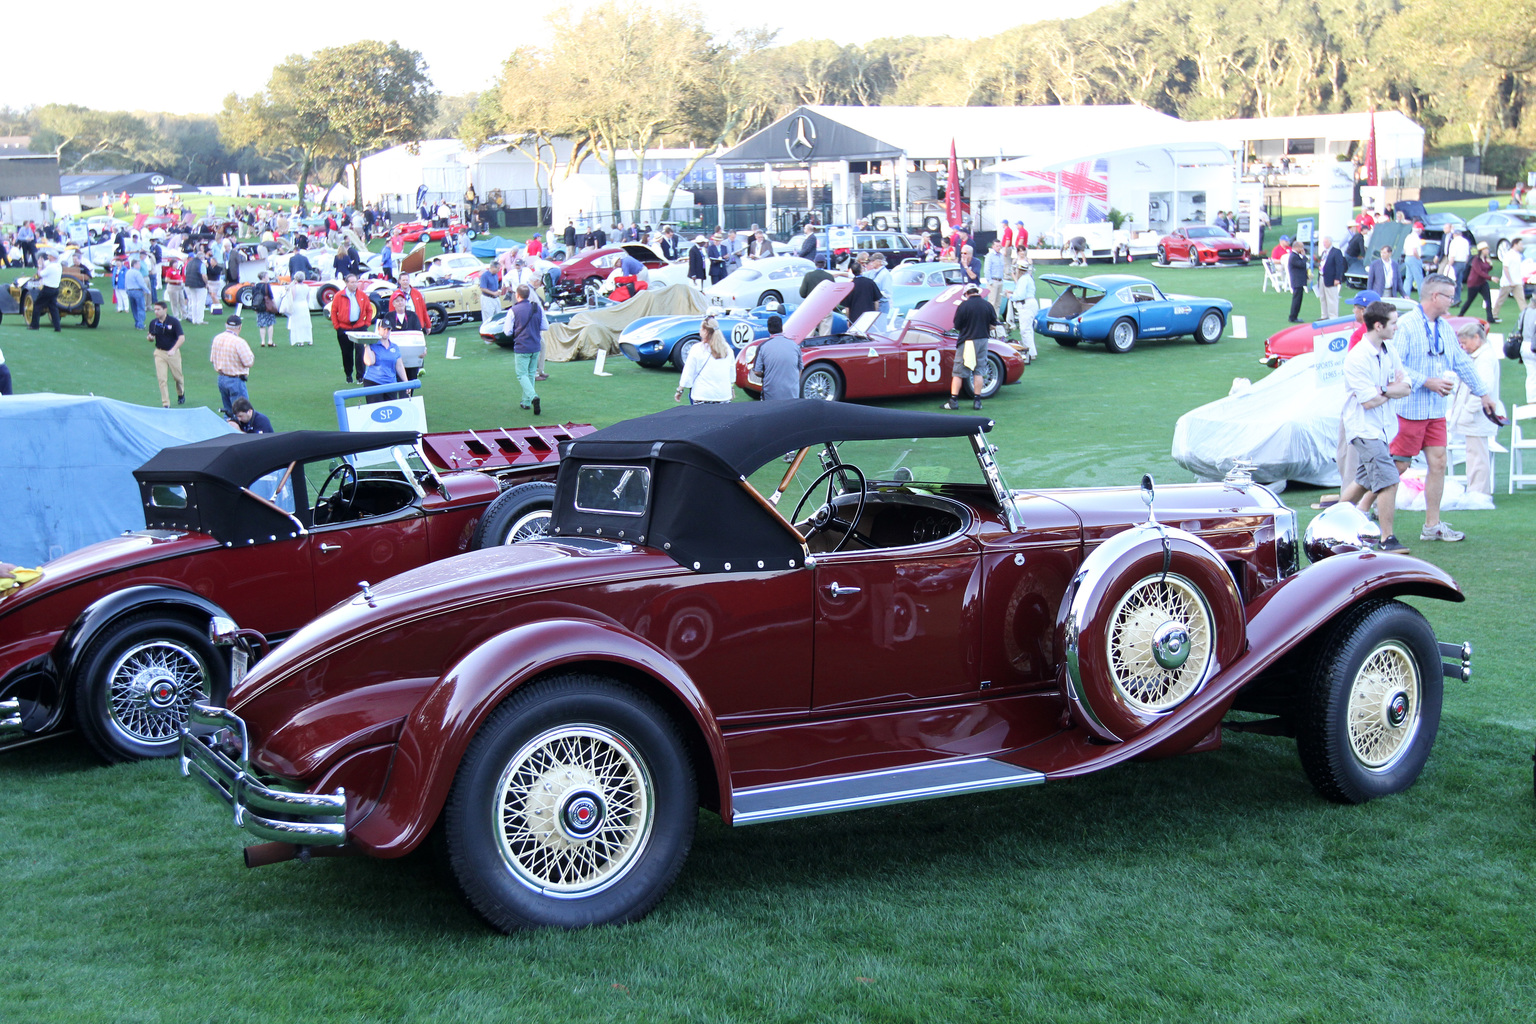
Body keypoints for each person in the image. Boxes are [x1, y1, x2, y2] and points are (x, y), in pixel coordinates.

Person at [1391, 274, 1497, 542]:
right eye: (1450, 296)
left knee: (1439, 463)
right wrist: (1427, 381)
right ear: (1435, 297)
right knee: (1398, 467)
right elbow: (1395, 367)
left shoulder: (1445, 328)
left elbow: (1461, 362)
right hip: (1410, 409)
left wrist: (1483, 394)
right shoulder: (1406, 326)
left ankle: (1432, 525)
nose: (1454, 300)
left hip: (1436, 410)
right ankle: (1366, 515)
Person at [1338, 301, 1413, 553]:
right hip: (1364, 429)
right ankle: (1387, 539)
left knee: (1363, 481)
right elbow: (1369, 401)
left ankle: (1332, 525)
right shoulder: (1357, 358)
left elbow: (1407, 386)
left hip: (1382, 428)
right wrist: (1390, 390)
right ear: (1378, 325)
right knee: (1389, 480)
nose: (1396, 327)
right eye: (1393, 323)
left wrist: (1384, 390)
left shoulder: (1389, 350)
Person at [1447, 321, 1504, 498]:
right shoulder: (1481, 356)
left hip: (1477, 415)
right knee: (1474, 454)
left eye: (1465, 343)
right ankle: (1476, 490)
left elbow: (1484, 387)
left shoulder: (1485, 358)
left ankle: (1478, 492)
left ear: (1477, 338)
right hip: (1475, 415)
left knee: (1477, 455)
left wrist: (1468, 411)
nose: (1463, 348)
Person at [944, 283, 999, 411]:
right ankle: (977, 401)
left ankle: (953, 400)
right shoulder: (987, 305)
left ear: (966, 294)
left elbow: (957, 325)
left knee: (958, 372)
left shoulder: (964, 306)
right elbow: (993, 324)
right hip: (983, 340)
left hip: (967, 341)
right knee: (979, 371)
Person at [674, 316, 735, 405]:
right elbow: (731, 371)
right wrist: (731, 388)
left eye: (700, 328)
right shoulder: (727, 349)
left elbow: (688, 371)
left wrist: (680, 389)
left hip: (702, 395)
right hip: (723, 395)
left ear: (705, 331)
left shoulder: (697, 348)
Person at [328, 274, 375, 383]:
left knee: (361, 352)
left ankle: (360, 376)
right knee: (347, 353)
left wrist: (366, 323)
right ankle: (348, 374)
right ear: (346, 283)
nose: (355, 284)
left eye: (356, 282)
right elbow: (334, 311)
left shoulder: (362, 295)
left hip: (360, 327)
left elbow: (369, 310)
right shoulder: (339, 296)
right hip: (344, 328)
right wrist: (337, 326)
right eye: (352, 282)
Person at [508, 284, 545, 415]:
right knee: (530, 373)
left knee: (521, 374)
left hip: (522, 346)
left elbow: (507, 331)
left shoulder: (513, 310)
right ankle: (526, 402)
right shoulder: (537, 308)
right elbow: (544, 326)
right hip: (535, 345)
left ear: (517, 295)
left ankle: (533, 396)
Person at [210, 314, 254, 417]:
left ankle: (228, 430)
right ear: (240, 327)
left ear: (226, 325)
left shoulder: (217, 338)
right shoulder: (239, 342)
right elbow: (248, 362)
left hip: (221, 379)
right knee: (242, 412)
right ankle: (239, 432)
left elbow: (212, 359)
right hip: (236, 380)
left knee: (228, 412)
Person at [146, 301, 186, 407]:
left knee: (178, 377)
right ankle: (166, 403)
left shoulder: (174, 322)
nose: (156, 312)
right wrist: (150, 338)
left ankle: (181, 393)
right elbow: (151, 336)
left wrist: (174, 349)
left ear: (165, 310)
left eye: (158, 309)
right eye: (155, 309)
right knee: (162, 379)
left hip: (173, 353)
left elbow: (182, 338)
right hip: (159, 352)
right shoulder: (153, 323)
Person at [360, 317, 407, 403]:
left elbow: (399, 366)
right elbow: (369, 362)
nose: (386, 331)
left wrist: (406, 382)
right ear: (378, 329)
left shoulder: (394, 347)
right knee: (376, 411)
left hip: (391, 384)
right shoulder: (373, 345)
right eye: (384, 329)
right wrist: (366, 345)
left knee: (392, 411)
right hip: (374, 382)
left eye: (388, 329)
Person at [753, 315, 800, 401]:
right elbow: (800, 369)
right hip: (792, 394)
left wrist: (768, 375)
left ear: (768, 329)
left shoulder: (763, 346)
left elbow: (757, 371)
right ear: (781, 327)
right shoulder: (794, 345)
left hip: (771, 395)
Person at [1459, 242, 1496, 320]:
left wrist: (1490, 265)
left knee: (1488, 300)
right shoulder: (1475, 260)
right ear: (1481, 250)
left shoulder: (1485, 259)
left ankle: (1490, 318)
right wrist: (1491, 278)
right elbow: (1479, 272)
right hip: (1474, 283)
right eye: (1486, 249)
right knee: (1469, 300)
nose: (1487, 251)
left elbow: (1487, 269)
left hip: (1483, 283)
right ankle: (1460, 315)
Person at [1493, 237, 1527, 319]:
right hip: (1507, 283)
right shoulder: (1509, 255)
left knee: (1521, 300)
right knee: (1501, 299)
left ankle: (1526, 316)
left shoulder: (1518, 255)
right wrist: (1510, 280)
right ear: (1515, 244)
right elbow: (1505, 268)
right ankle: (1494, 315)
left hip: (1517, 282)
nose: (1522, 246)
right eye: (1520, 244)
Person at [280, 274, 313, 346]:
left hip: (297, 305)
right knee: (306, 322)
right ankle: (309, 340)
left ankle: (300, 341)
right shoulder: (306, 287)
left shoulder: (294, 288)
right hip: (304, 305)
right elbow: (308, 297)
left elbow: (292, 298)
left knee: (298, 323)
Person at [1317, 236, 1345, 318]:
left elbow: (1339, 266)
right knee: (1322, 297)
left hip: (1331, 278)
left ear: (1330, 242)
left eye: (1325, 242)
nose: (1324, 244)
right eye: (1323, 242)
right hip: (1322, 277)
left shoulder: (1336, 252)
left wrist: (1337, 278)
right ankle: (1324, 315)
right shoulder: (1324, 253)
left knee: (1332, 298)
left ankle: (1333, 316)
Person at [1445, 226, 1471, 304]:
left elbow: (1453, 255)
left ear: (1455, 235)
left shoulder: (1454, 242)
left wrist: (1449, 265)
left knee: (1451, 282)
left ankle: (1453, 299)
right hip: (1463, 263)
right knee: (1459, 282)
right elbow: (1467, 254)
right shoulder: (1466, 241)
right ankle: (1458, 298)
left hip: (1455, 263)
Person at [123, 258, 151, 331]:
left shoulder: (128, 272)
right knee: (141, 307)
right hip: (137, 291)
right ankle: (140, 324)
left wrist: (127, 291)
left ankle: (137, 323)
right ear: (135, 265)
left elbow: (125, 282)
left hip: (130, 291)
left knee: (134, 308)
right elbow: (141, 283)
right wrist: (147, 290)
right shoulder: (137, 273)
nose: (140, 266)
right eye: (138, 264)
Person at [1286, 241, 1310, 322]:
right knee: (1296, 300)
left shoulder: (1295, 256)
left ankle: (1294, 316)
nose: (1303, 249)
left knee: (1298, 300)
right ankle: (1293, 317)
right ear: (1296, 247)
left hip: (1299, 281)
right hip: (1297, 281)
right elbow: (1302, 264)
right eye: (1301, 247)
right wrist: (1304, 257)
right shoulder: (1293, 257)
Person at [182, 248, 208, 325]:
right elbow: (204, 275)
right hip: (199, 285)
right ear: (202, 258)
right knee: (200, 302)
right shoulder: (201, 264)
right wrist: (206, 283)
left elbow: (185, 274)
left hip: (190, 284)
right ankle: (199, 320)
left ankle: (194, 319)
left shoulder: (189, 263)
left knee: (193, 302)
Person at [1403, 222, 1427, 296]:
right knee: (1419, 278)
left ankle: (1405, 296)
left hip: (1407, 257)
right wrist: (1419, 258)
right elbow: (1414, 251)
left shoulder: (1408, 236)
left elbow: (1404, 249)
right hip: (1414, 258)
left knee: (1408, 278)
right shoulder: (1415, 237)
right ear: (1419, 230)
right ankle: (1422, 296)